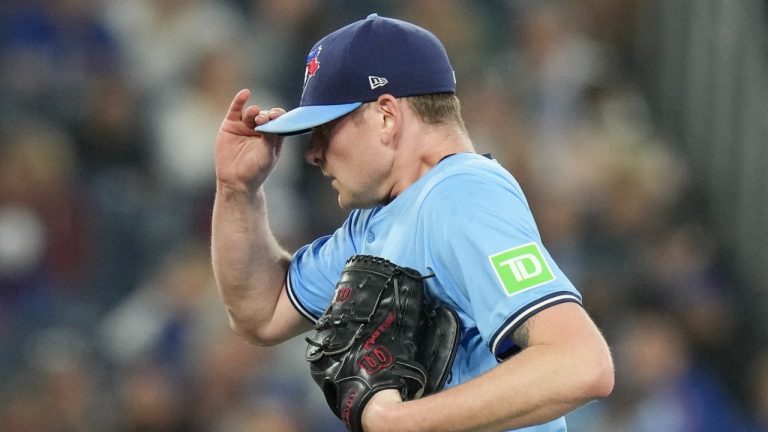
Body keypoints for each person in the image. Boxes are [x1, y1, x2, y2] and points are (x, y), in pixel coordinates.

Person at [211, 14, 613, 432]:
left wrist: (399, 422)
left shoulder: (461, 195)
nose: (313, 152)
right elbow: (261, 312)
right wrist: (237, 190)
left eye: (326, 129)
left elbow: (581, 364)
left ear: (386, 116)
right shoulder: (375, 219)